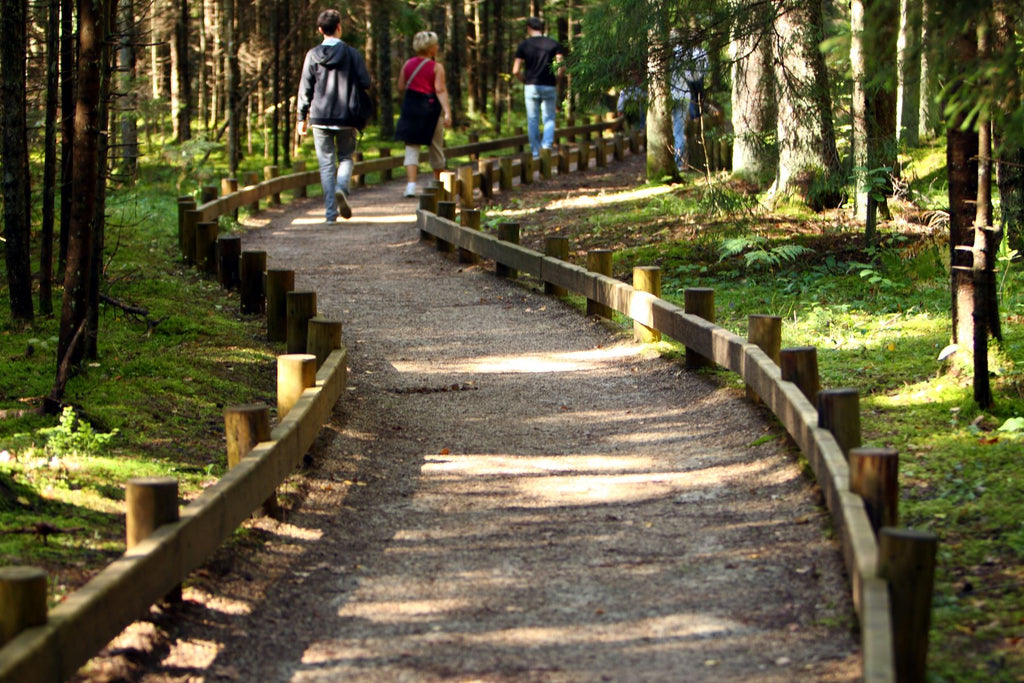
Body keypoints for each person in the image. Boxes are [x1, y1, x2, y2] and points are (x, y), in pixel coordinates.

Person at [297, 9, 371, 222]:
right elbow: (365, 82)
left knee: (326, 164)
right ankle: (342, 189)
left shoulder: (312, 55)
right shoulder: (351, 54)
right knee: (346, 157)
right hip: (347, 115)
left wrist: (301, 118)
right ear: (339, 27)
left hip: (319, 117)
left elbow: (305, 88)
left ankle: (330, 214)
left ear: (320, 30)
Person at [394, 31, 452, 198]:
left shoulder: (408, 64)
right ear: (430, 48)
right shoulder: (436, 67)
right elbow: (440, 90)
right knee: (435, 147)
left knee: (411, 147)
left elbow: (400, 86)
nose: (438, 47)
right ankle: (438, 186)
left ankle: (411, 186)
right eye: (436, 45)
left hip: (411, 108)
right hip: (430, 110)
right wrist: (447, 112)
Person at [512, 17, 567, 160]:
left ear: (529, 28)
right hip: (549, 85)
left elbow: (515, 70)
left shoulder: (524, 45)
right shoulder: (553, 44)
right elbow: (562, 67)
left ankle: (536, 153)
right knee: (549, 118)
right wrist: (557, 80)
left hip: (531, 86)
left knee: (532, 119)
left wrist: (524, 80)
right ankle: (547, 148)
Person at [671, 41, 708, 172]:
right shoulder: (688, 56)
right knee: (678, 131)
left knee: (674, 131)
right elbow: (696, 78)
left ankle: (675, 162)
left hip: (671, 95)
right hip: (683, 94)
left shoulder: (668, 55)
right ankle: (677, 163)